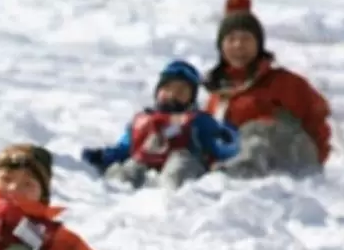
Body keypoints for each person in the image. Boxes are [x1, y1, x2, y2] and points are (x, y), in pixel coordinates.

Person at [203, 0, 332, 177]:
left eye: (246, 39)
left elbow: (317, 117)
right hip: (235, 164)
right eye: (231, 39)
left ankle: (245, 170)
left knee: (255, 131)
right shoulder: (218, 96)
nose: (239, 45)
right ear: (221, 48)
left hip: (291, 164)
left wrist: (315, 160)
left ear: (259, 45)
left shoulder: (284, 82)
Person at [81, 60, 240, 190]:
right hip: (145, 161)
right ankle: (120, 190)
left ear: (191, 99)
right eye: (167, 88)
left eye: (181, 91)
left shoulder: (197, 120)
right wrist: (104, 157)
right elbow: (125, 147)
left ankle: (171, 194)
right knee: (132, 165)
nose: (172, 94)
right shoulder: (143, 119)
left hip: (184, 161)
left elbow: (220, 147)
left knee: (179, 163)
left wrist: (226, 140)